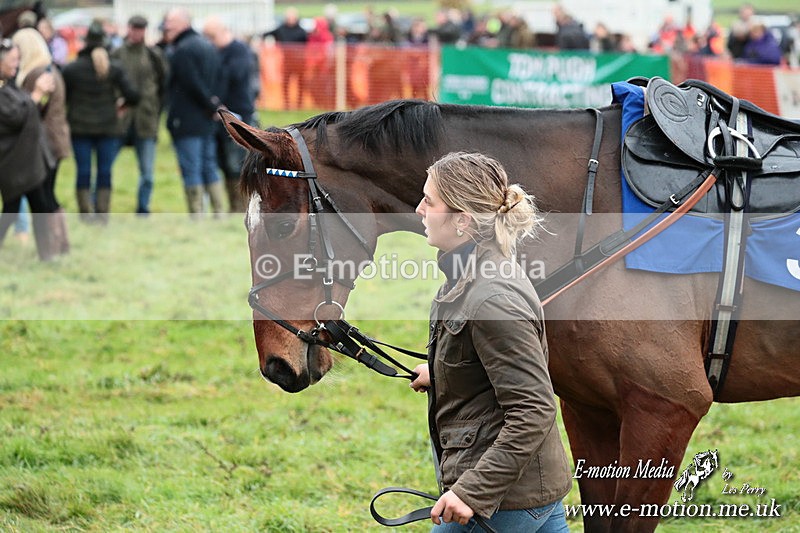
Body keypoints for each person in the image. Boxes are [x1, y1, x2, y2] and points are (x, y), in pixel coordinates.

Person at [410, 152, 572, 531]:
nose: (419, 209)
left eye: (429, 201)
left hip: (504, 501)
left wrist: (473, 492)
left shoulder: (492, 297)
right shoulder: (469, 272)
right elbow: (492, 367)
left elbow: (533, 409)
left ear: (462, 220)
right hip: (529, 490)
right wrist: (440, 373)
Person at [62, 20, 139, 224]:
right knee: (105, 171)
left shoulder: (72, 69)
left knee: (84, 171)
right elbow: (134, 95)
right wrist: (121, 104)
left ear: (85, 42)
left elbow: (64, 99)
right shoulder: (113, 68)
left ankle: (85, 213)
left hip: (80, 127)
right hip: (108, 127)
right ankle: (102, 214)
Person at [0, 39, 60, 261]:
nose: (16, 64)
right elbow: (15, 117)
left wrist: (40, 96)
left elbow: (25, 108)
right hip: (14, 162)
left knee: (22, 208)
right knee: (22, 208)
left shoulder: (8, 83)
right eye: (13, 60)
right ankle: (48, 255)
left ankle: (47, 254)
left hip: (26, 160)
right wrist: (36, 93)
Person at [13, 27, 71, 254]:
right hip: (56, 141)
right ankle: (59, 243)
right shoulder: (50, 69)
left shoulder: (36, 75)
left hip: (43, 144)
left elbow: (28, 110)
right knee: (48, 195)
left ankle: (52, 245)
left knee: (43, 197)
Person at [112, 15, 168, 216]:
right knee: (105, 166)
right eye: (135, 28)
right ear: (128, 28)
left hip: (146, 121)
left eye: (141, 28)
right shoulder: (117, 54)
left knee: (148, 174)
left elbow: (163, 85)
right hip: (121, 121)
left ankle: (143, 209)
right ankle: (99, 207)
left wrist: (154, 110)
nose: (138, 32)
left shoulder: (154, 55)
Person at [203, 16, 258, 212]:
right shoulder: (218, 52)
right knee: (224, 163)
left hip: (238, 114)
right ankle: (232, 206)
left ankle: (240, 208)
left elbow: (234, 75)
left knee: (237, 163)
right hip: (220, 114)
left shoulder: (239, 51)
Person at [264, 7, 307, 110]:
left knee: (300, 84)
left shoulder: (301, 31)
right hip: (286, 62)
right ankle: (286, 105)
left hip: (299, 63)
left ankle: (299, 105)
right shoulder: (281, 29)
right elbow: (267, 34)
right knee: (285, 84)